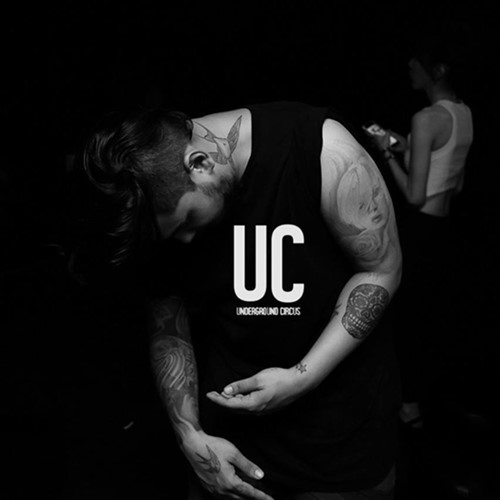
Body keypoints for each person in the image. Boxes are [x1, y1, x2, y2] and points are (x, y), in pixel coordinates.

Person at [77, 100, 402, 499]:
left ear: (199, 164)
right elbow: (167, 321)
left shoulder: (322, 149)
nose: (185, 240)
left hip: (340, 446)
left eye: (187, 221)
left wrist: (302, 377)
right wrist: (190, 435)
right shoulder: (149, 194)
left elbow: (381, 270)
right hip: (230, 449)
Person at [367, 36, 473, 431]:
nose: (410, 64)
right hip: (445, 229)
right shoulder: (463, 113)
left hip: (420, 231)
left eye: (418, 62)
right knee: (430, 317)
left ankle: (408, 408)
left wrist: (386, 153)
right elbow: (453, 181)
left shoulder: (426, 118)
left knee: (406, 320)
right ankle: (423, 401)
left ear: (437, 70)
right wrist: (399, 142)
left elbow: (413, 196)